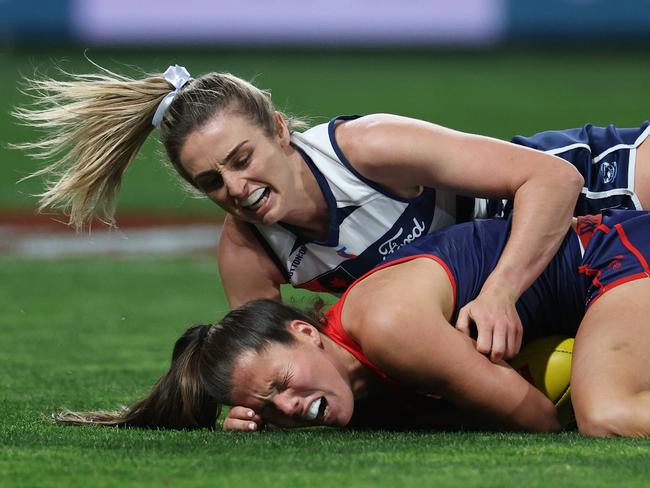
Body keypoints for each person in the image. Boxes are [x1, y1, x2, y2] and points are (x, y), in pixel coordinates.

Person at [13, 63, 650, 364]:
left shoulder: (367, 147)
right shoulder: (250, 252)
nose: (236, 187)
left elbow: (552, 177)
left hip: (588, 190)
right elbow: (276, 356)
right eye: (212, 181)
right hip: (549, 278)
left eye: (243, 157)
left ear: (282, 131)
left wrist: (501, 293)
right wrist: (250, 403)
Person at [54, 209, 650, 437]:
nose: (286, 407)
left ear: (307, 331)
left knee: (606, 416)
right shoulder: (345, 384)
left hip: (615, 256)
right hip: (603, 294)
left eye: (280, 383)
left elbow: (538, 420)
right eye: (268, 407)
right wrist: (261, 421)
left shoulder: (387, 327)